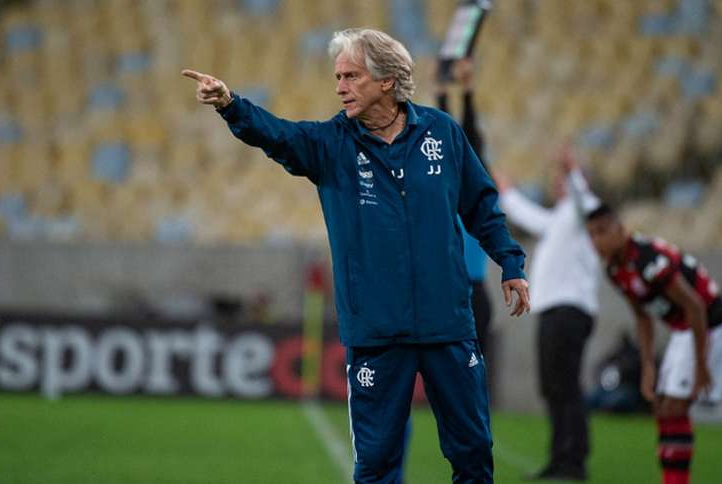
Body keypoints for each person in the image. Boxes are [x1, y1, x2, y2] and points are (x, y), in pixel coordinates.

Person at [182, 28, 530, 484]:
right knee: (377, 464)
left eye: (351, 76)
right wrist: (231, 104)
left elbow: (482, 205)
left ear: (387, 81)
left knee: (473, 455)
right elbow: (277, 135)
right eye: (338, 76)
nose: (340, 86)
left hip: (448, 323)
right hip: (377, 332)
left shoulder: (442, 134)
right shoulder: (331, 144)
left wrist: (511, 262)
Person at [586, 204, 722, 484]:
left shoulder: (647, 260)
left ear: (620, 230)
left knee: (675, 407)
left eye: (602, 232)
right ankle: (673, 477)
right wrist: (647, 366)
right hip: (684, 329)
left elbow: (695, 306)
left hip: (711, 324)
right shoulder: (614, 270)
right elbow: (642, 317)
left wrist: (702, 364)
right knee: (662, 406)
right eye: (591, 234)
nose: (597, 241)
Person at [497, 149, 601, 481]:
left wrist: (572, 169)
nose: (558, 184)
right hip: (554, 312)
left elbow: (585, 197)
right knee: (553, 387)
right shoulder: (560, 219)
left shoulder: (583, 212)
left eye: (564, 180)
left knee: (565, 385)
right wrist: (507, 191)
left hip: (569, 310)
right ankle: (560, 458)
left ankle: (575, 460)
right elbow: (528, 216)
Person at [435, 58, 493, 364]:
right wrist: (442, 92)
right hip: (447, 289)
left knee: (471, 369)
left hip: (469, 291)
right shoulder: (445, 189)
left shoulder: (477, 190)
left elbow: (468, 138)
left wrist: (466, 91)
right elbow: (443, 139)